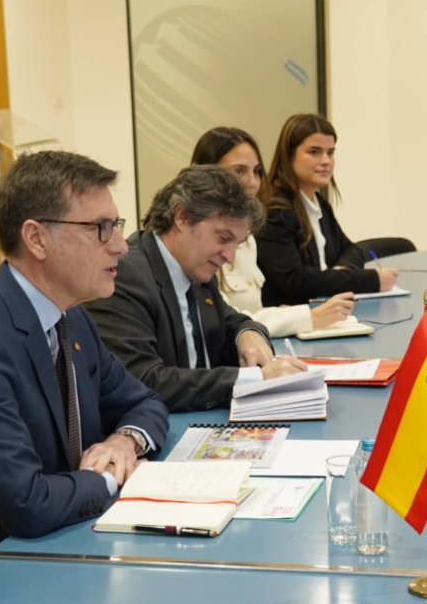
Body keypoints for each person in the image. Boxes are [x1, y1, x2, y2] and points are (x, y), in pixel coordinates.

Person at [0, 150, 169, 544]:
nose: (120, 246)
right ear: (36, 239)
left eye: (116, 226)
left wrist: (123, 441)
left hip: (70, 536)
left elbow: (144, 402)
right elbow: (28, 504)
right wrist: (112, 477)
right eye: (101, 228)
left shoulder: (72, 318)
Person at [86, 163, 309, 411]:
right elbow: (143, 380)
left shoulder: (196, 266)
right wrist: (253, 379)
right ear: (182, 217)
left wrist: (247, 332)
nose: (230, 257)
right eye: (223, 238)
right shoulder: (125, 276)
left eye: (237, 244)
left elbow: (228, 320)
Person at [190, 126, 356, 336]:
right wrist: (305, 317)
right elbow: (223, 321)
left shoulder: (248, 238)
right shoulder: (196, 239)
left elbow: (251, 312)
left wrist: (281, 314)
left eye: (257, 171)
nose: (252, 183)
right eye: (239, 171)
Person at [255, 113, 401, 305]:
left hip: (326, 308)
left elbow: (352, 249)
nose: (326, 161)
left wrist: (340, 273)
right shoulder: (275, 211)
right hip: (296, 315)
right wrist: (373, 280)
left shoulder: (319, 203)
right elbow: (297, 281)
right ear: (288, 155)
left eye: (330, 153)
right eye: (314, 152)